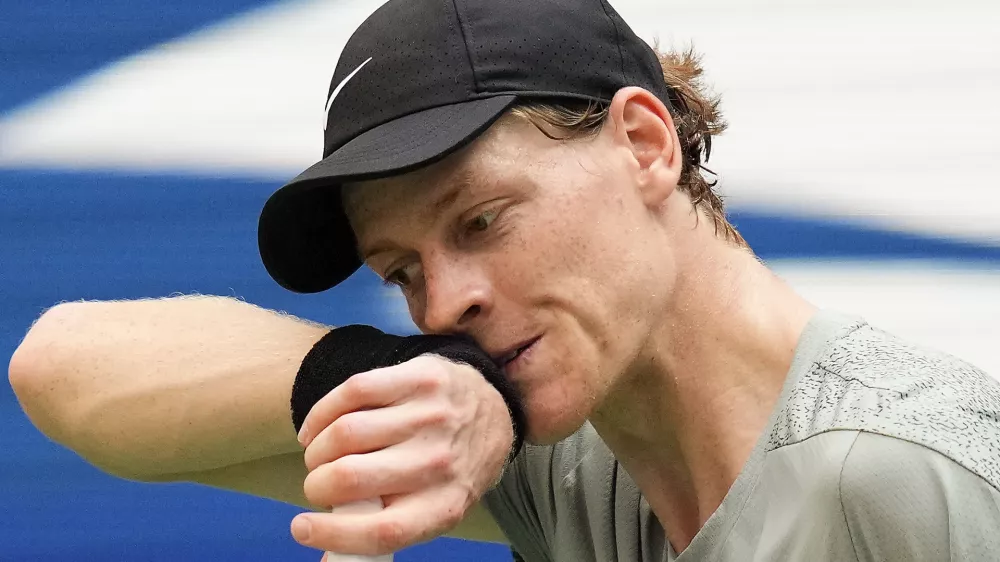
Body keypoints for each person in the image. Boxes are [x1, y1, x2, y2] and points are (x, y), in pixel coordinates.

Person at [9, 0, 1000, 560]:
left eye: (481, 220)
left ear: (645, 145)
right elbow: (59, 369)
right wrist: (399, 377)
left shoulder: (896, 470)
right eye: (400, 270)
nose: (444, 308)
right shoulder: (568, 445)